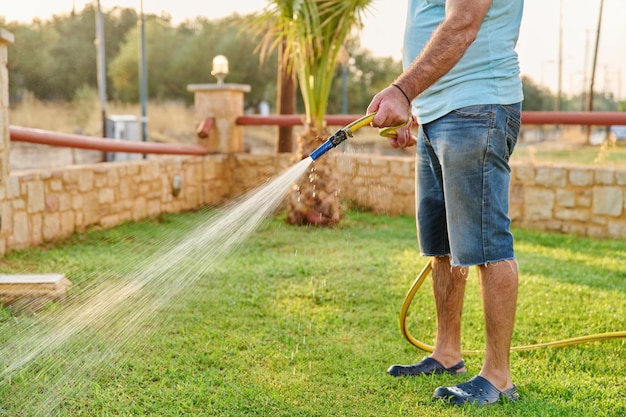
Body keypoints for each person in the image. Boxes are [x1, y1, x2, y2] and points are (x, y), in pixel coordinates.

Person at [367, 0, 524, 406]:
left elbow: (463, 23)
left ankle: (498, 377)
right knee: (442, 247)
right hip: (436, 112)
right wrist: (414, 106)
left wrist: (402, 91)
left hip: (476, 106)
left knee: (488, 246)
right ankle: (447, 353)